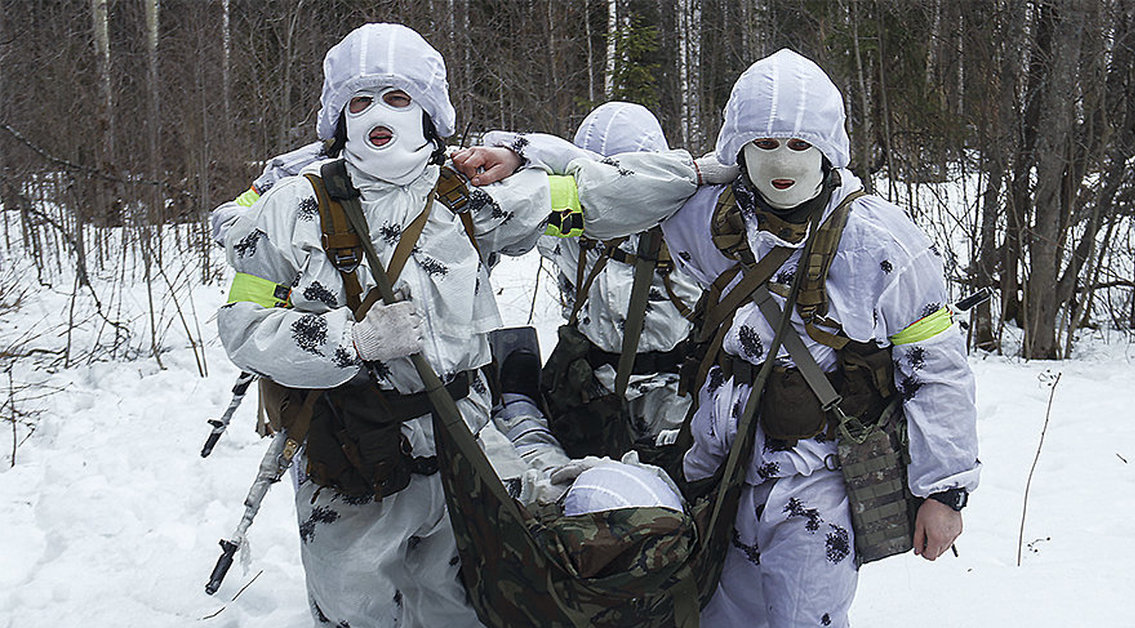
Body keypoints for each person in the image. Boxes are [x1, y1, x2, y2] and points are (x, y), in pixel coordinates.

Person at [456, 48, 980, 628]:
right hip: (722, 465)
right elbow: (613, 180)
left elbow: (936, 369)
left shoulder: (881, 245)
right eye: (765, 145)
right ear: (740, 148)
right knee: (717, 612)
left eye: (800, 145)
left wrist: (945, 489)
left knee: (804, 615)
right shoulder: (712, 215)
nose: (783, 162)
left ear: (829, 149)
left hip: (820, 478)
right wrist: (524, 154)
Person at [216, 23, 548, 626]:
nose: (379, 116)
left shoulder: (464, 194)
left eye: (399, 99)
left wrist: (523, 150)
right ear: (338, 116)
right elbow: (242, 329)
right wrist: (351, 341)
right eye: (359, 101)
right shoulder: (294, 206)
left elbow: (597, 187)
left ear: (429, 112)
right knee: (355, 611)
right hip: (353, 459)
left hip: (462, 446)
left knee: (464, 603)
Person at [483, 101, 704, 467]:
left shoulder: (688, 223)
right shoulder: (571, 220)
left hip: (662, 400)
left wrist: (529, 155)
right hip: (597, 398)